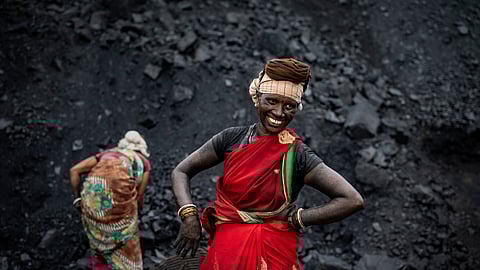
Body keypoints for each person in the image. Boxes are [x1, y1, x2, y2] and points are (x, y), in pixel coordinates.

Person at [171, 58, 365, 270]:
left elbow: (352, 199)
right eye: (271, 101)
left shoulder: (296, 154)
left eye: (289, 106)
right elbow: (181, 170)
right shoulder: (231, 139)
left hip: (272, 253)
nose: (279, 113)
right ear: (258, 97)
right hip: (227, 250)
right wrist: (189, 217)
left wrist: (298, 218)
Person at [70, 130, 152, 270]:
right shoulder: (144, 163)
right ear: (141, 150)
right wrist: (135, 217)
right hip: (118, 199)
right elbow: (139, 197)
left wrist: (78, 199)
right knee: (127, 241)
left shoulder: (107, 154)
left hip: (91, 198)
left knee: (99, 242)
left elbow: (74, 171)